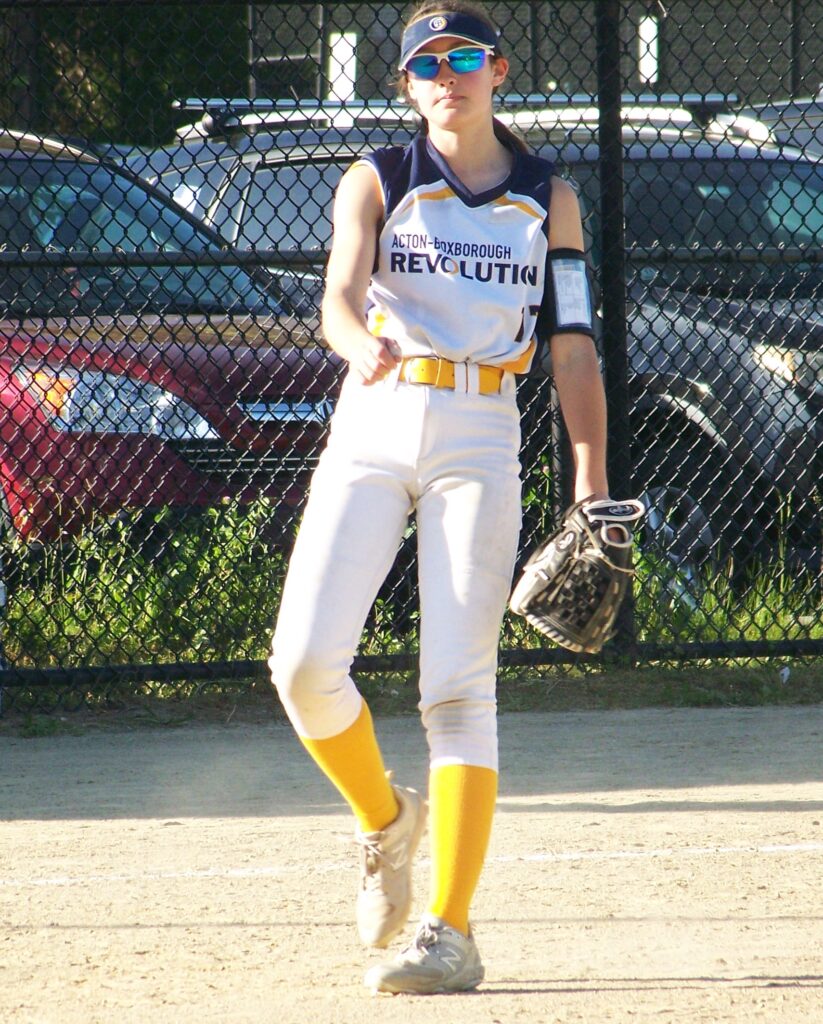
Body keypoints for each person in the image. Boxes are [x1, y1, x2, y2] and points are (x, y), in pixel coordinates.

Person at [268, 0, 612, 995]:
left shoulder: (549, 196)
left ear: (499, 70)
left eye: (463, 56)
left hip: (481, 427)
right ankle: (385, 819)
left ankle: (450, 930)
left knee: (458, 689)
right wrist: (351, 341)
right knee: (301, 665)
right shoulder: (378, 175)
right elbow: (338, 294)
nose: (444, 73)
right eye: (425, 62)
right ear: (407, 83)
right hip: (373, 418)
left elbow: (573, 345)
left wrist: (589, 479)